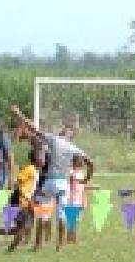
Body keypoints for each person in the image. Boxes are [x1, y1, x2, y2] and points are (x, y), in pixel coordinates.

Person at [9, 105, 88, 250]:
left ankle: (40, 241)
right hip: (50, 180)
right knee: (44, 213)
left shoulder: (51, 143)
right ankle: (46, 242)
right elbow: (31, 130)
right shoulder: (59, 145)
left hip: (46, 179)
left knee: (41, 213)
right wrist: (19, 119)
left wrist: (19, 115)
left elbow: (33, 130)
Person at [65, 154, 93, 245]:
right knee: (72, 220)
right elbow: (69, 186)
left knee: (75, 220)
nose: (81, 164)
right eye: (79, 162)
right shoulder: (70, 173)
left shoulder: (81, 173)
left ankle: (71, 238)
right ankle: (73, 239)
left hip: (79, 199)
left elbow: (83, 187)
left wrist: (84, 200)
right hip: (71, 199)